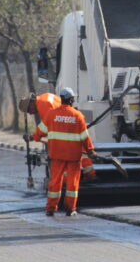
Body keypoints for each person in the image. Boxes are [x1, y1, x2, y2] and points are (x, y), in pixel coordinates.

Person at [32, 87, 96, 217]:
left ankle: (50, 208)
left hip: (57, 155)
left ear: (61, 99)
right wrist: (90, 151)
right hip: (73, 156)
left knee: (55, 182)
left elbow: (41, 131)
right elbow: (84, 137)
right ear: (71, 100)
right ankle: (70, 209)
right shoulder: (78, 116)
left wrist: (34, 137)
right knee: (72, 184)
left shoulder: (51, 114)